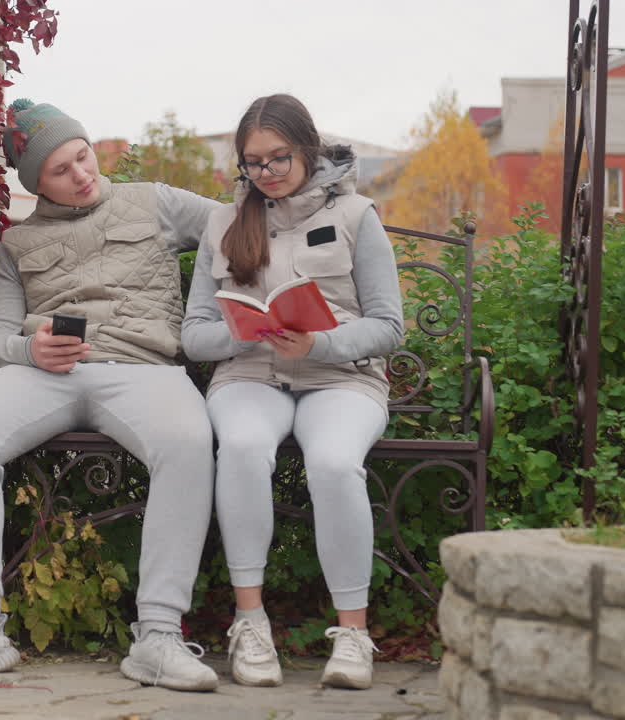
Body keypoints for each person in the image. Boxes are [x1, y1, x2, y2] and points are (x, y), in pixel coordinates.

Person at [0, 99, 221, 692]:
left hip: (144, 368)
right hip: (46, 372)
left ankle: (159, 636)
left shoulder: (155, 202)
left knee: (189, 439)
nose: (82, 174)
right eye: (61, 171)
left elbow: (241, 227)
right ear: (36, 184)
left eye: (83, 156)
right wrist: (28, 351)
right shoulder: (16, 246)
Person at [181, 94, 404, 690]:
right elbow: (195, 334)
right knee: (245, 448)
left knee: (333, 464)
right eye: (253, 162)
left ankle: (353, 635)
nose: (267, 173)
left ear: (307, 149)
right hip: (250, 375)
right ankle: (250, 622)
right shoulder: (225, 223)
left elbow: (388, 326)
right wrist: (242, 333)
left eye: (278, 158)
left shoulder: (357, 215)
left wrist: (318, 345)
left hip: (340, 378)